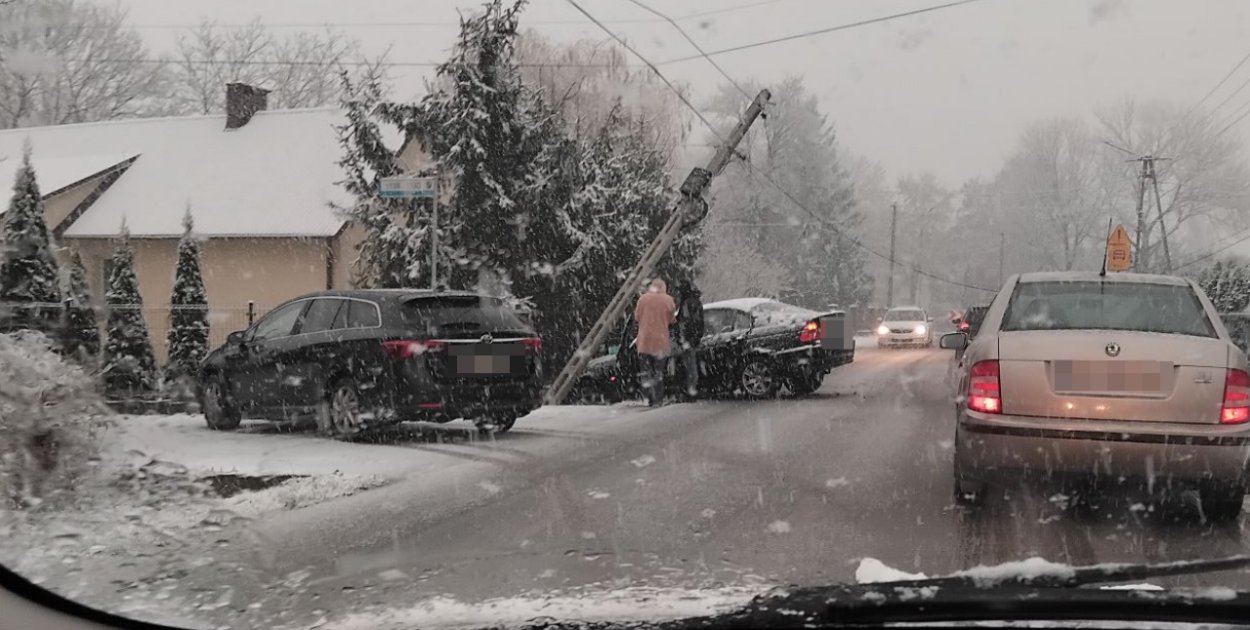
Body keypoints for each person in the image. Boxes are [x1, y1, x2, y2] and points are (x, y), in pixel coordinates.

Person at [633, 278, 676, 407]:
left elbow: (636, 317)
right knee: (658, 372)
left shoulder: (643, 299)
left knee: (646, 372)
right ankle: (658, 399)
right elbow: (672, 320)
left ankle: (649, 397)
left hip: (644, 341)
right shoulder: (668, 300)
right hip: (660, 342)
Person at [673, 279, 704, 399]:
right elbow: (698, 323)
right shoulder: (695, 301)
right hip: (692, 339)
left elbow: (685, 322)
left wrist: (683, 338)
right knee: (692, 366)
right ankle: (692, 390)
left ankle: (690, 391)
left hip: (688, 340)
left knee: (689, 367)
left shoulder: (687, 303)